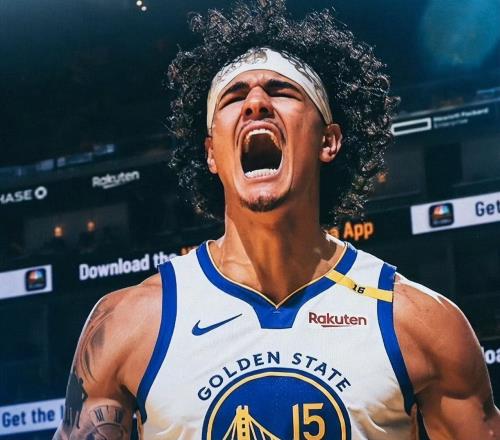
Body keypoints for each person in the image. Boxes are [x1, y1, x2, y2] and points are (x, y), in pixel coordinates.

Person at [54, 1, 500, 439]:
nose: (255, 103)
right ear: (211, 153)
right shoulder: (131, 323)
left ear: (328, 141)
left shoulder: (418, 322)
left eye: (281, 91)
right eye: (234, 97)